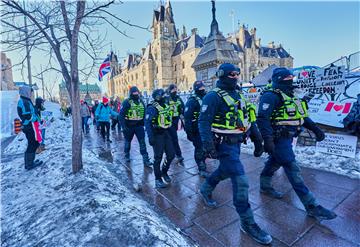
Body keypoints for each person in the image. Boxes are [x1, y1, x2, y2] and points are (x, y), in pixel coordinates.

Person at [198, 63, 271, 245]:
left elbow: (247, 118)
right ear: (222, 75)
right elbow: (203, 122)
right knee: (241, 181)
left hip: (236, 144)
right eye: (232, 73)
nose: (236, 76)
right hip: (222, 145)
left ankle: (205, 188)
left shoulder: (238, 94)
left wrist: (257, 139)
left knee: (224, 171)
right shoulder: (212, 97)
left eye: (237, 73)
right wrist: (208, 146)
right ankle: (248, 223)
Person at [257, 67, 337, 220]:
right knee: (292, 168)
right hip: (277, 139)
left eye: (291, 78)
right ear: (279, 79)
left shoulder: (292, 96)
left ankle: (265, 186)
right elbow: (262, 118)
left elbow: (303, 116)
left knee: (274, 162)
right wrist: (267, 140)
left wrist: (316, 130)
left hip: (287, 138)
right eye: (287, 79)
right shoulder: (270, 96)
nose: (291, 81)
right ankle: (312, 206)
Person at [145, 89, 175, 188]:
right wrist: (150, 137)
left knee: (171, 155)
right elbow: (148, 123)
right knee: (158, 158)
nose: (165, 96)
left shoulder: (165, 105)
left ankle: (164, 171)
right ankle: (158, 179)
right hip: (157, 135)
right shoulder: (152, 108)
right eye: (163, 95)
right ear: (157, 97)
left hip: (166, 133)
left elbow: (168, 119)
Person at [119, 86, 152, 166]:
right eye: (134, 93)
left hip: (139, 126)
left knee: (142, 143)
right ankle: (127, 154)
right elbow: (121, 115)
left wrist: (145, 123)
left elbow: (144, 112)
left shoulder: (141, 101)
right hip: (129, 126)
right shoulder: (127, 102)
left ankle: (145, 159)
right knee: (128, 142)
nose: (136, 94)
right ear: (131, 93)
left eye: (137, 92)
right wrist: (123, 127)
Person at [184, 81, 210, 177]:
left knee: (206, 147)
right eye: (200, 88)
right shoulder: (192, 101)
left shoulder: (207, 97)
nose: (202, 89)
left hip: (207, 128)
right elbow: (187, 118)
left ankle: (203, 161)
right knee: (199, 148)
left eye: (203, 87)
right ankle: (201, 167)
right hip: (196, 129)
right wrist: (189, 132)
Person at [17, 85, 43, 170]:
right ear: (26, 92)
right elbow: (27, 115)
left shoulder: (26, 100)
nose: (31, 94)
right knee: (33, 144)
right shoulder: (24, 101)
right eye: (30, 92)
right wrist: (35, 119)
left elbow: (33, 112)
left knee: (34, 143)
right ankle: (29, 164)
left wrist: (39, 120)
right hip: (28, 126)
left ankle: (30, 162)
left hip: (30, 125)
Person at [166, 84, 185, 163]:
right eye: (173, 90)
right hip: (168, 120)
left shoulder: (178, 98)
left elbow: (182, 107)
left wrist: (182, 115)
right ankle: (177, 154)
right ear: (170, 90)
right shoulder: (166, 99)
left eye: (176, 89)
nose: (175, 91)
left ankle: (174, 153)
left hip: (176, 120)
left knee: (172, 137)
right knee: (172, 138)